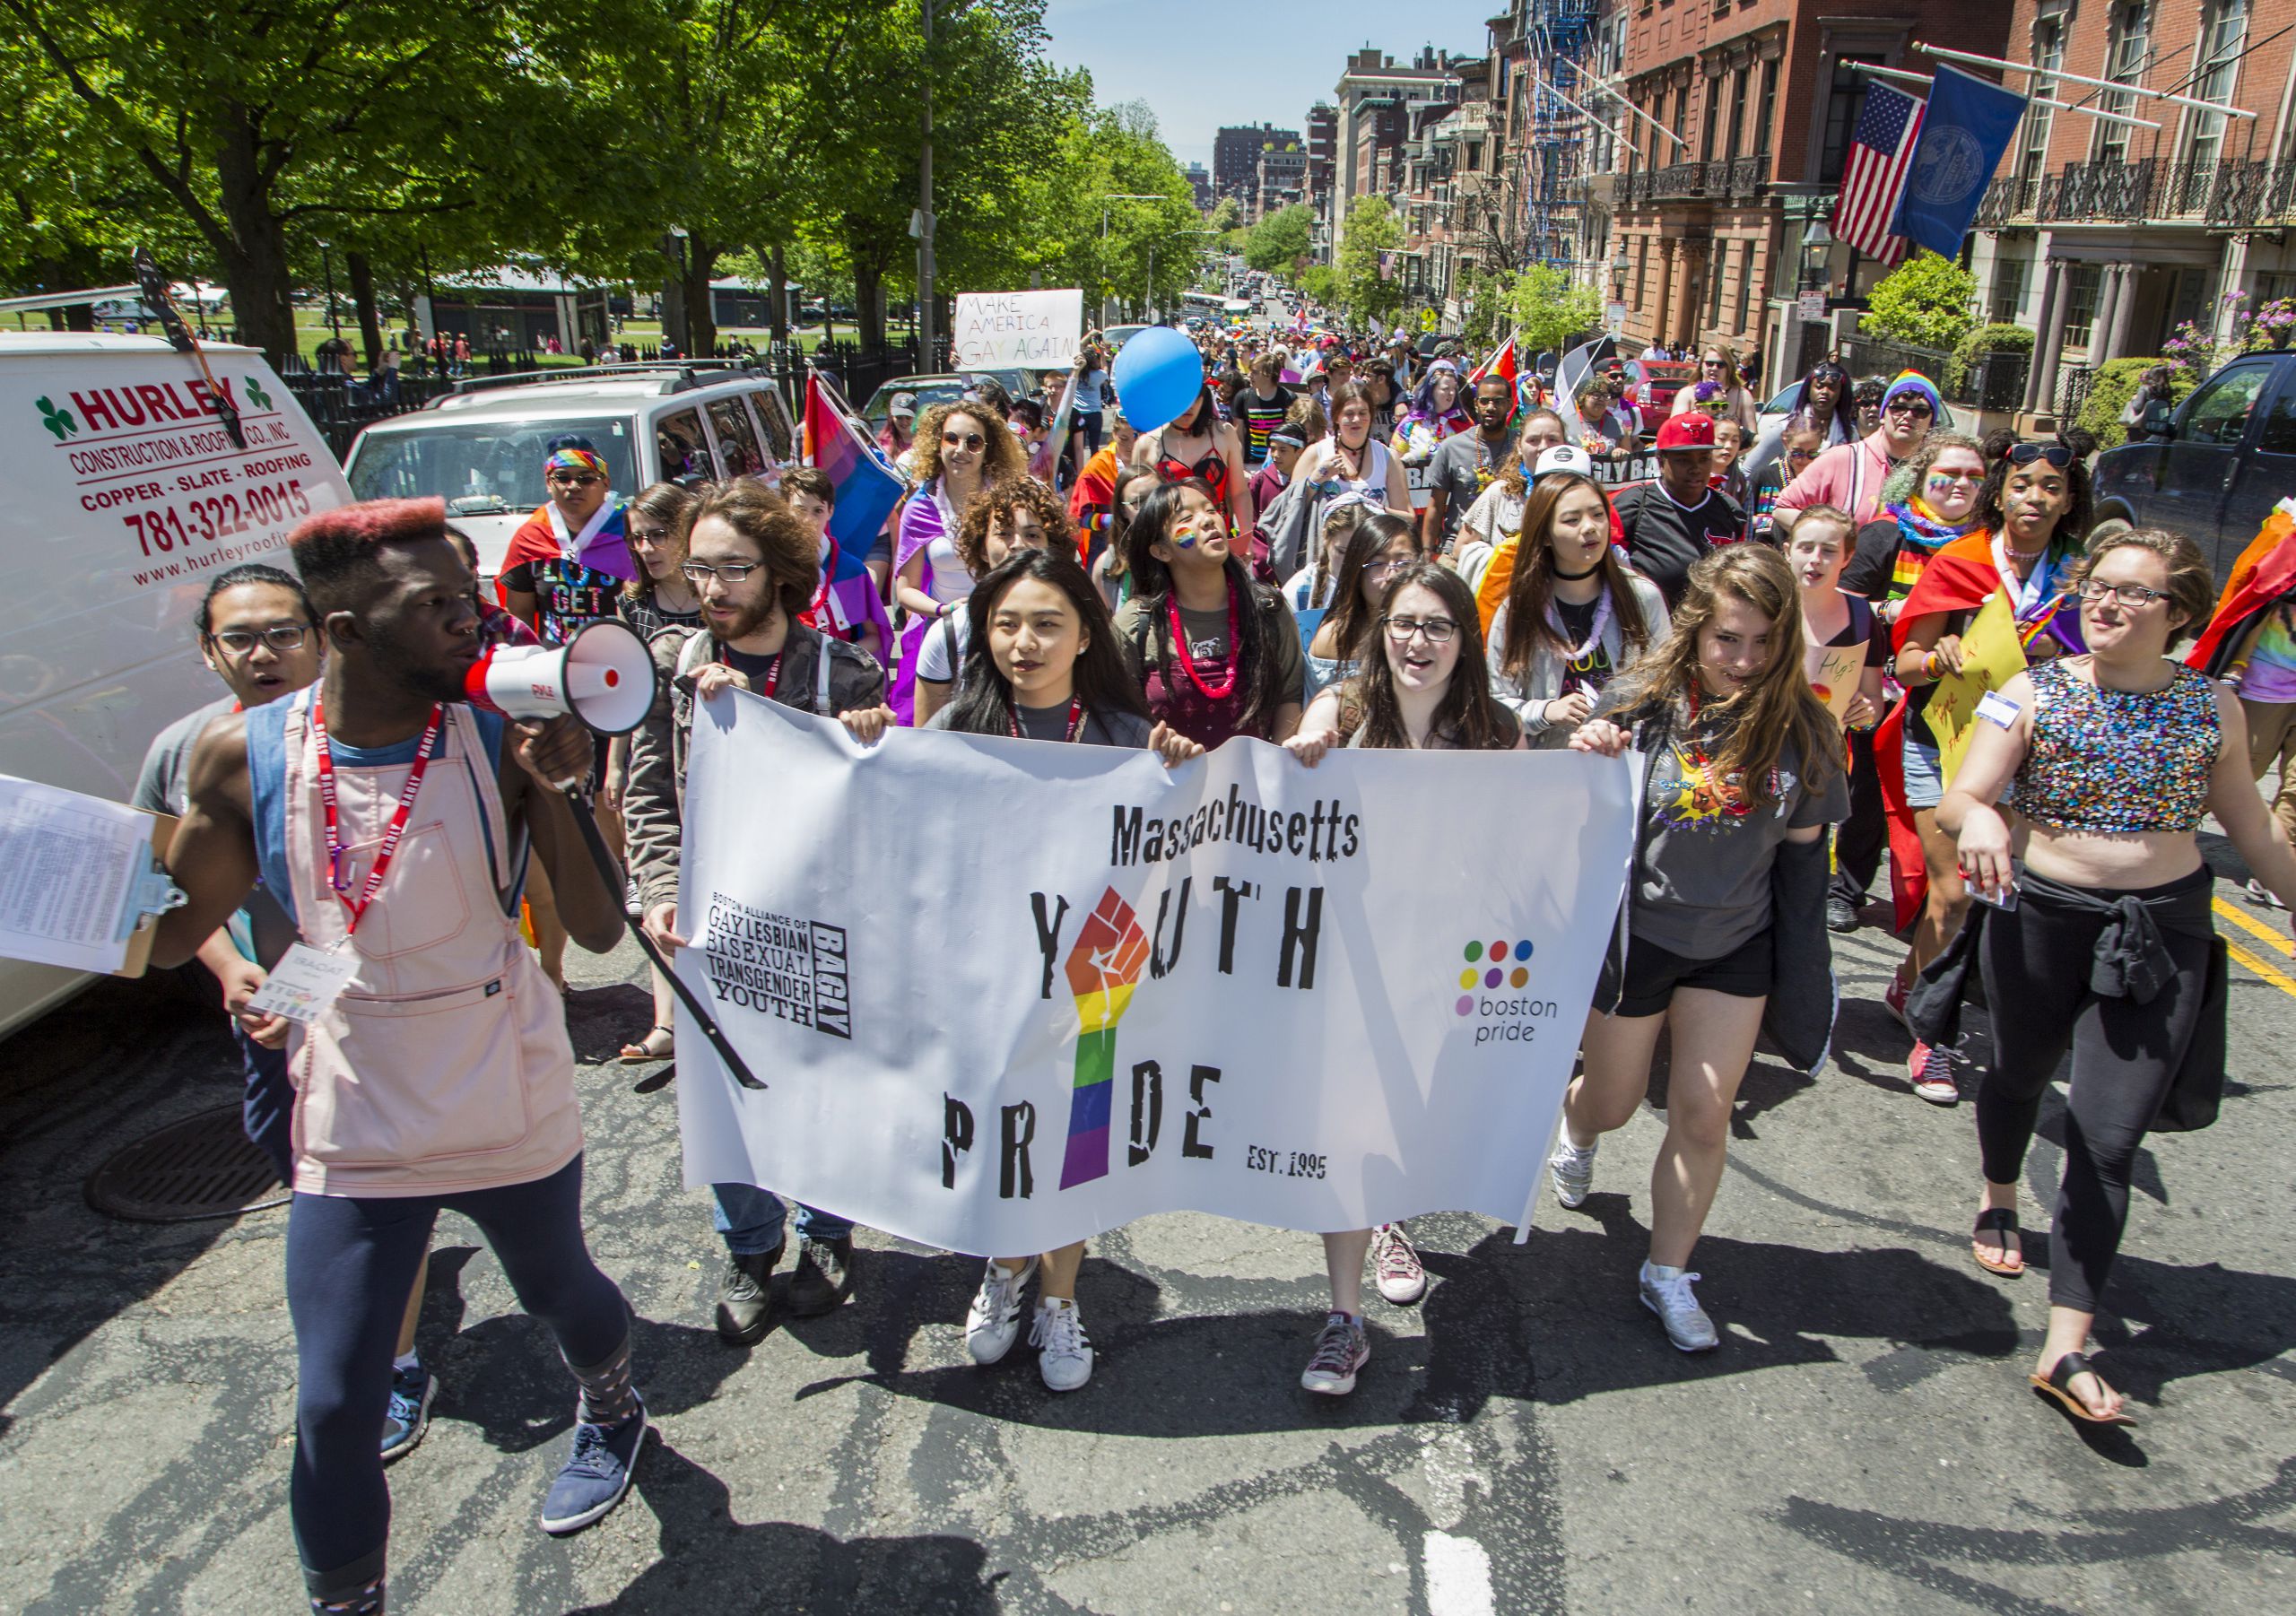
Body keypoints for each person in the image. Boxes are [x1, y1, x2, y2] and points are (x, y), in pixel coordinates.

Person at [152, 499, 640, 1612]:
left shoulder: (491, 732)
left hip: (498, 1071)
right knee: (334, 1397)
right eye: (436, 606)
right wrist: (75, 877)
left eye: (469, 596)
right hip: (355, 1095)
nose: (473, 621)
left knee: (559, 1288)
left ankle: (612, 1405)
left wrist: (561, 786)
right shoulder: (243, 753)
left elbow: (596, 926)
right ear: (347, 631)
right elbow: (173, 936)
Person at [1938, 528, 2296, 1425]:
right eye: (2098, 584)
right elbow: (1962, 795)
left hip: (2160, 931)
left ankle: (2065, 1344)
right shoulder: (2032, 690)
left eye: (2134, 591)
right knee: (2018, 1072)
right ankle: (1999, 1192)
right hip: (2040, 917)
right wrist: (1977, 817)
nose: (2106, 601)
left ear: (2179, 613)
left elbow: (2253, 829)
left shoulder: (2214, 706)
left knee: (2106, 1135)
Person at [138, 567, 448, 1465]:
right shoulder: (186, 751)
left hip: (374, 1008)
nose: (262, 653)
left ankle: (396, 1364)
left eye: (282, 632)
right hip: (266, 1013)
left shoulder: (374, 735)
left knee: (372, 1188)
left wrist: (309, 987)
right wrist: (230, 969)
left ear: (321, 637)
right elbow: (162, 888)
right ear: (209, 652)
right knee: (300, 1164)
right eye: (239, 638)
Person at [1555, 545, 1848, 1351]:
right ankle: (1577, 1127)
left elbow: (1804, 871)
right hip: (1638, 938)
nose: (1744, 660)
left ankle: (1668, 1272)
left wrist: (1805, 982)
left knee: (1703, 1111)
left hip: (1734, 947)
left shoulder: (1807, 730)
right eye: (1728, 639)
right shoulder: (1639, 702)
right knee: (1614, 1102)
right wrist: (1587, 756)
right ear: (1695, 631)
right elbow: (1567, 812)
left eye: (1764, 642)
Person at [626, 481, 894, 1343]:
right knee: (724, 1092)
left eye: (734, 569)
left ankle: (827, 1230)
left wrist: (868, 741)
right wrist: (660, 891)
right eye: (700, 569)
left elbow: (877, 807)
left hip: (816, 920)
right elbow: (647, 795)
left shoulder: (842, 669)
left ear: (779, 571)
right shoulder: (671, 666)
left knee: (821, 1083)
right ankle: (748, 1244)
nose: (712, 588)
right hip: (710, 923)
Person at [931, 549, 1202, 1392]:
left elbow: (1177, 842)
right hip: (992, 980)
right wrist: (867, 740)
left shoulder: (1126, 736)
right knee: (1007, 1133)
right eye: (1006, 624)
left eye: (1048, 624)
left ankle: (1060, 1298)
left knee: (1078, 1141)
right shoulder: (955, 729)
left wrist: (1184, 768)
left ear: (1087, 634)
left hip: (1098, 980)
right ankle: (1005, 1267)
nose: (1025, 643)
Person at [1280, 561, 1526, 1393]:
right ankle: (1344, 1322)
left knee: (1413, 1115)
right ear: (1381, 632)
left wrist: (1595, 751)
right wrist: (1308, 748)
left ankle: (1390, 1213)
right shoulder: (1346, 709)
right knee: (1353, 1127)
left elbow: (1533, 833)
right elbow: (1307, 736)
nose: (1418, 642)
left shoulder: (1495, 730)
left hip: (1454, 963)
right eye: (1403, 623)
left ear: (1465, 639)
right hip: (1353, 956)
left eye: (1438, 626)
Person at [1877, 435, 2090, 1103]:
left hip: (2029, 751)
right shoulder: (1961, 561)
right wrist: (1939, 658)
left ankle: (1910, 986)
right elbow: (1906, 664)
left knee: (1996, 893)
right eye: (2022, 484)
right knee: (1956, 891)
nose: (2035, 498)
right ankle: (1932, 1036)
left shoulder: (2081, 574)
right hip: (1942, 740)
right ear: (2001, 493)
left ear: (2069, 500)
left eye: (2051, 487)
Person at [606, 482, 705, 1065]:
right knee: (654, 884)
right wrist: (616, 765)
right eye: (638, 537)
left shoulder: (714, 593)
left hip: (705, 751)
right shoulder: (632, 605)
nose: (647, 548)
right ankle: (666, 1021)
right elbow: (626, 693)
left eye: (658, 535)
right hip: (653, 749)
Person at [1111, 480, 1306, 744]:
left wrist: (1278, 761)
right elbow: (1116, 714)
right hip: (1169, 771)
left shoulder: (1268, 609)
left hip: (1255, 772)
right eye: (1186, 518)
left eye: (1211, 510)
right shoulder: (1136, 622)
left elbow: (1289, 696)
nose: (1208, 520)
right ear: (1161, 551)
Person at [1486, 473, 1668, 745]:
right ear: (1545, 535)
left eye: (1598, 515)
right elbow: (1496, 705)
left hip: (1623, 761)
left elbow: (1667, 687)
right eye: (1572, 520)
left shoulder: (1643, 597)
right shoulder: (1517, 611)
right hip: (1552, 765)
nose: (1590, 527)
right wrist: (1545, 711)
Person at [891, 400, 1027, 722]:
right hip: (943, 631)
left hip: (1003, 626)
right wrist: (945, 610)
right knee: (935, 729)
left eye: (973, 442)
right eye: (951, 439)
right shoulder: (919, 507)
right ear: (937, 444)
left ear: (988, 450)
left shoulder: (1007, 502)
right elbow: (905, 591)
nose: (960, 449)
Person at [914, 474, 1067, 724]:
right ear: (983, 548)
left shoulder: (1078, 626)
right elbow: (926, 737)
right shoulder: (950, 633)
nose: (1017, 544)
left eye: (1032, 535)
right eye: (1004, 533)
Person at [1772, 372, 1940, 534]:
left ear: (1931, 422)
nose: (1908, 415)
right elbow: (1783, 508)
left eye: (1920, 411)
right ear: (1883, 414)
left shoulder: (1937, 471)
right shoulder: (1841, 459)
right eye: (1898, 407)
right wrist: (1832, 538)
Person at [1613, 414, 1745, 608]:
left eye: (1704, 459)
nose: (1696, 468)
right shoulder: (1634, 504)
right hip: (1650, 622)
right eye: (1684, 460)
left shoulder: (1729, 510)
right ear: (1661, 461)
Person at [1291, 507, 1422, 698]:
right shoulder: (1333, 640)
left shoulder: (1433, 634)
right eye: (1377, 564)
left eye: (1404, 563)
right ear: (1356, 572)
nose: (1392, 575)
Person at [1786, 506, 1885, 740]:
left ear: (1847, 558)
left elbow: (1874, 698)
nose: (1816, 559)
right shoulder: (1767, 611)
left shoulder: (1861, 617)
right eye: (1806, 548)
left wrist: (1866, 712)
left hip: (1826, 751)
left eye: (1829, 551)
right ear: (1788, 551)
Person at [1452, 410, 1571, 591]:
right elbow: (1461, 547)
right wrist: (1505, 561)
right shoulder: (1500, 493)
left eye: (1552, 439)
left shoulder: (1577, 495)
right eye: (1533, 440)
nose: (1543, 447)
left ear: (1565, 445)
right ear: (1519, 446)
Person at [781, 466, 891, 661]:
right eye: (800, 510)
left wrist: (837, 655)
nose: (808, 520)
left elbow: (875, 637)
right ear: (785, 510)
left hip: (839, 670)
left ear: (830, 511)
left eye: (818, 511)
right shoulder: (776, 568)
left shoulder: (852, 570)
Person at [1290, 381, 1414, 550]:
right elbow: (1291, 508)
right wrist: (1315, 480)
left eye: (1363, 413)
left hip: (1371, 552)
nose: (1356, 420)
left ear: (1371, 416)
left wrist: (1375, 509)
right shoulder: (1315, 454)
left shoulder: (1387, 457)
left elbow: (1408, 518)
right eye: (1349, 414)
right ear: (1336, 417)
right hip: (1325, 553)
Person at [1131, 385, 1254, 538]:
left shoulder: (1223, 433)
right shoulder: (1145, 445)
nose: (1188, 406)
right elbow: (1136, 503)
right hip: (1171, 542)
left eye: (1194, 397)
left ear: (1203, 397)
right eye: (1179, 398)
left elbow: (1240, 493)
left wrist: (1247, 539)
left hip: (1217, 538)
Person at [1422, 374, 1516, 555]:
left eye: (1498, 402)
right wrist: (1426, 552)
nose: (1490, 407)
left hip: (1507, 549)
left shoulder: (1522, 446)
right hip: (1458, 549)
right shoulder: (1452, 447)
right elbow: (1436, 506)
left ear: (1509, 404)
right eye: (1484, 401)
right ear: (1476, 404)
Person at [1067, 408, 1139, 565]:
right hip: (1104, 547)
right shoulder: (1098, 465)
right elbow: (1079, 518)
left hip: (1141, 545)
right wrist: (1111, 521)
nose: (1131, 446)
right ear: (1114, 434)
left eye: (1136, 437)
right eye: (1124, 439)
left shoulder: (1150, 461)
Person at [1091, 464, 1161, 613]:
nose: (1151, 507)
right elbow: (1102, 623)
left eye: (1158, 497)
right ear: (1123, 510)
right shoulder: (1106, 566)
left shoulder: (1186, 554)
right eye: (1139, 502)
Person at [1748, 414, 1822, 546]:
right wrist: (1773, 522)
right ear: (1785, 442)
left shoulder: (1823, 481)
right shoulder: (1763, 476)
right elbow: (1745, 519)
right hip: (1767, 551)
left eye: (1812, 454)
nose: (1803, 460)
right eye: (1797, 453)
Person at [1392, 359, 1471, 469]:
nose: (1451, 393)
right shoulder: (1409, 424)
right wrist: (1402, 461)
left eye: (1454, 388)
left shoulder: (1463, 422)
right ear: (1431, 390)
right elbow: (1392, 461)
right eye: (1446, 388)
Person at [1669, 343, 1757, 435]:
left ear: (1728, 368)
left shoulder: (1743, 396)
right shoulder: (1687, 394)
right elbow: (1674, 431)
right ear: (1701, 366)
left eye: (1721, 365)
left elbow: (1752, 436)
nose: (1714, 368)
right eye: (1709, 364)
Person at [1233, 352, 1294, 466]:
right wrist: (1240, 466)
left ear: (1269, 374)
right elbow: (1238, 438)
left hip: (1279, 465)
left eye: (1255, 372)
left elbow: (1292, 437)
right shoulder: (1243, 397)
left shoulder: (1288, 398)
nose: (1249, 375)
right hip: (1251, 464)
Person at [1251, 423, 1306, 521]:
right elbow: (1251, 519)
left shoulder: (1308, 482)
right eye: (1273, 449)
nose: (1276, 455)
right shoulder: (1260, 480)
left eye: (1283, 450)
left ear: (1299, 452)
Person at [1709, 417, 1750, 509]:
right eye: (1722, 439)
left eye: (1734, 440)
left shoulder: (1743, 484)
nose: (1729, 446)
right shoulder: (1693, 480)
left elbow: (1747, 517)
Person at [879, 392, 919, 471]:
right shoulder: (882, 444)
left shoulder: (924, 441)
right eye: (899, 417)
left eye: (908, 417)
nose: (904, 422)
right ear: (891, 417)